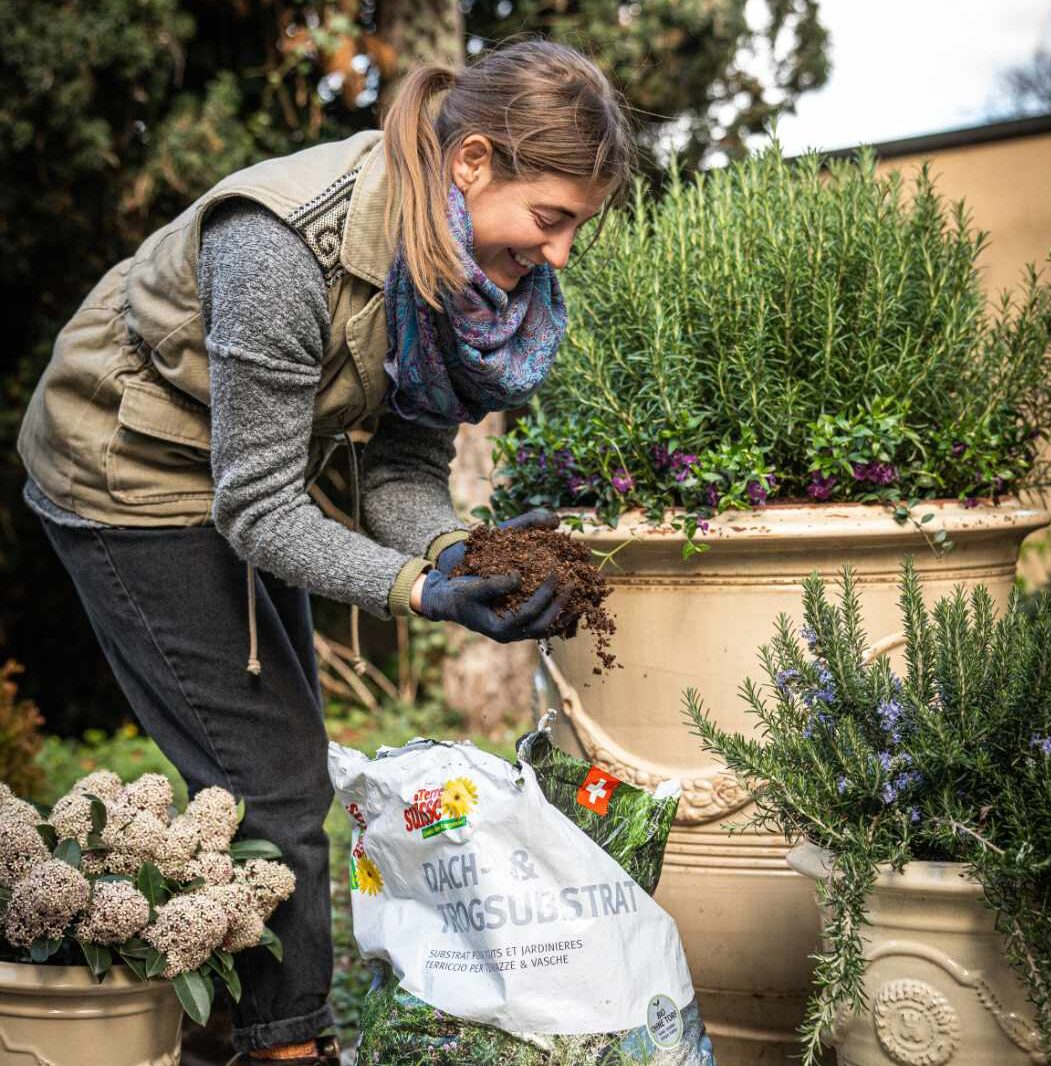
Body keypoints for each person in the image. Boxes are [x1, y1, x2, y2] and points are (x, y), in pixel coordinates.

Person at [16, 35, 634, 1066]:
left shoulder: (458, 274)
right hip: (123, 469)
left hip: (240, 477)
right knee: (274, 783)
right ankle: (281, 1048)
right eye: (553, 217)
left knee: (268, 768)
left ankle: (221, 1029)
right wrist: (425, 592)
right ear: (473, 162)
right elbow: (256, 506)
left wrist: (461, 549)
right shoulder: (283, 244)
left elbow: (397, 470)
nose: (562, 253)